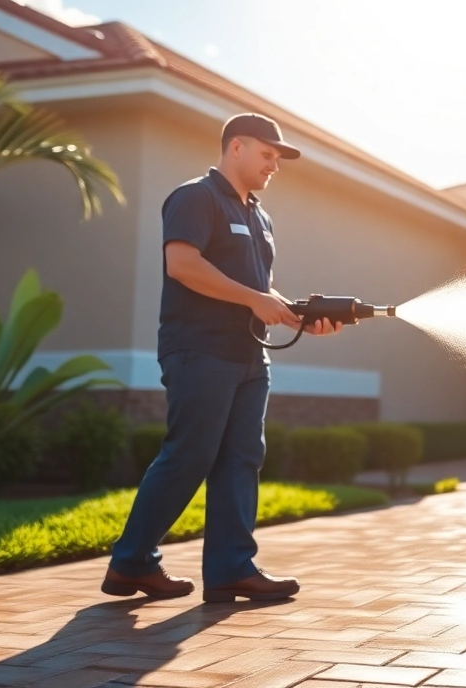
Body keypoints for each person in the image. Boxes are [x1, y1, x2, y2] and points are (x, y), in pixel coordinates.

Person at [102, 113, 341, 603]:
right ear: (236, 147)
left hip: (250, 355)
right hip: (199, 349)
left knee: (242, 458)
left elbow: (258, 290)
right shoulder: (195, 197)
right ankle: (131, 563)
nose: (275, 165)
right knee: (190, 455)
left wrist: (298, 316)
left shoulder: (260, 216)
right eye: (268, 154)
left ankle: (232, 568)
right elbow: (184, 265)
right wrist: (255, 299)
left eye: (278, 158)